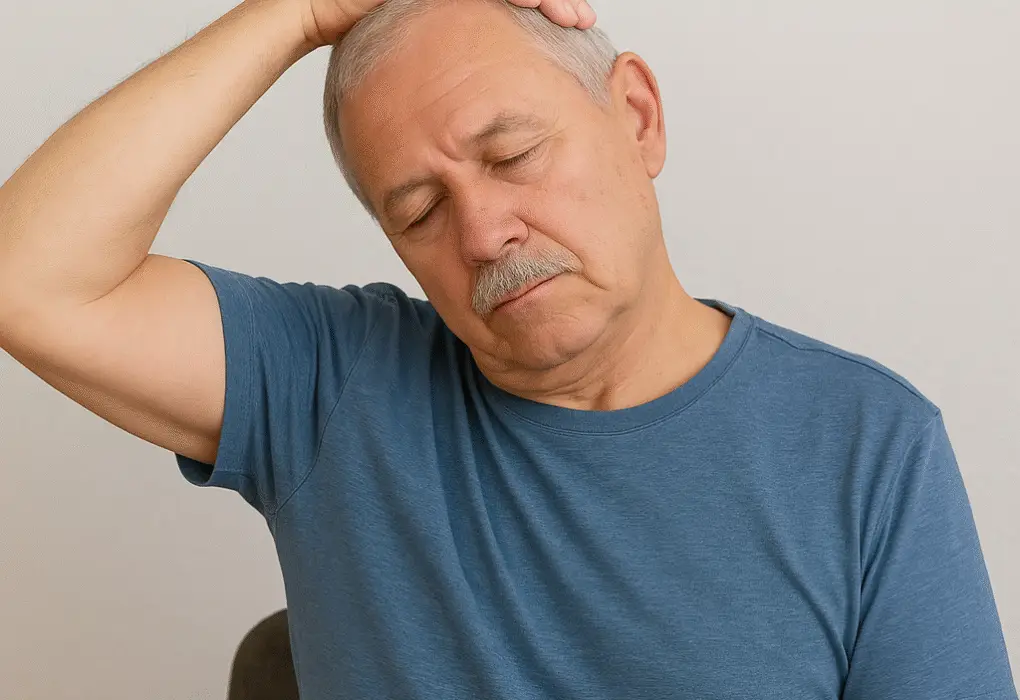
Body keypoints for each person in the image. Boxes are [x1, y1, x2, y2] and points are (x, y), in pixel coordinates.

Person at [0, 0, 1015, 698]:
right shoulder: (331, 384)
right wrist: (302, 12)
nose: (484, 232)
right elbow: (27, 278)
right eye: (421, 207)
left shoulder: (865, 443)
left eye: (513, 156)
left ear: (637, 118)